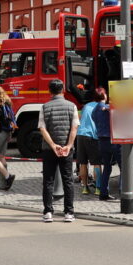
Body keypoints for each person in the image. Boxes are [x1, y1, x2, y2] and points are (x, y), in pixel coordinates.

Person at [38, 79, 79, 223]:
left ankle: (48, 212)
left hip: (49, 150)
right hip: (67, 150)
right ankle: (69, 212)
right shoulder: (72, 106)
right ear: (63, 90)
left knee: (48, 181)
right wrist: (68, 145)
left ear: (49, 91)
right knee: (68, 180)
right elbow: (74, 128)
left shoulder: (45, 107)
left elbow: (42, 128)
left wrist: (53, 145)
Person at [93, 87, 120, 201]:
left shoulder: (94, 110)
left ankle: (103, 193)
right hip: (113, 140)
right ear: (105, 96)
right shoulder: (108, 107)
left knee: (107, 168)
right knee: (123, 167)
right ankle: (123, 192)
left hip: (101, 141)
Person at [76, 90, 100, 194]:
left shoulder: (86, 106)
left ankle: (85, 188)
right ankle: (98, 188)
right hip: (92, 136)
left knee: (83, 163)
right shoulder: (100, 106)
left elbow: (79, 116)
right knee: (97, 164)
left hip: (80, 135)